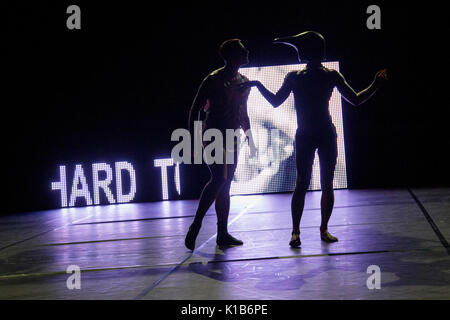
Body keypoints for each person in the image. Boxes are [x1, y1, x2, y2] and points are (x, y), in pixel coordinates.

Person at [243, 31, 387, 247]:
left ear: (306, 52)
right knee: (324, 184)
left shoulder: (297, 77)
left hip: (309, 134)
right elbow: (356, 100)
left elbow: (274, 101)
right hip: (322, 133)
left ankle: (297, 232)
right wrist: (375, 85)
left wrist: (257, 84)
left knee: (304, 184)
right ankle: (320, 230)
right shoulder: (328, 75)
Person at [185, 39, 256, 250]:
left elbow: (242, 112)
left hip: (232, 135)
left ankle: (222, 233)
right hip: (214, 132)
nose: (247, 52)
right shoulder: (213, 79)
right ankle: (196, 225)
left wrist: (249, 135)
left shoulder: (244, 80)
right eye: (243, 50)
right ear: (234, 55)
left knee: (226, 184)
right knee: (218, 179)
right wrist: (194, 137)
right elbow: (195, 109)